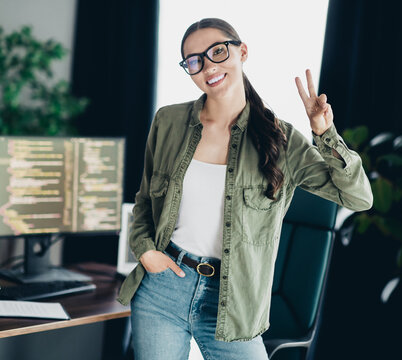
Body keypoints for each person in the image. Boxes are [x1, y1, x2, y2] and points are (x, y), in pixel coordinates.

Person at [117, 18, 373, 360]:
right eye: (195, 61)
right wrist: (145, 251)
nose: (208, 66)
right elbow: (145, 201)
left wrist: (326, 134)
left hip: (234, 301)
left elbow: (359, 197)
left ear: (242, 52)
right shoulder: (169, 121)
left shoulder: (283, 141)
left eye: (217, 52)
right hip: (163, 289)